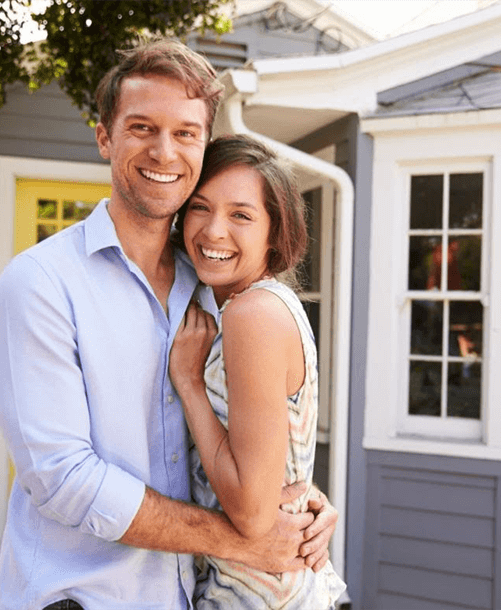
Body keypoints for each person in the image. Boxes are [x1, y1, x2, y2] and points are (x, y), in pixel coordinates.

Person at [0, 40, 337, 610]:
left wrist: (299, 502)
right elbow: (63, 480)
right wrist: (247, 537)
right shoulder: (41, 284)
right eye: (142, 127)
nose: (164, 151)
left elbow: (246, 437)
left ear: (203, 147)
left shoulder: (214, 283)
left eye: (185, 133)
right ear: (105, 137)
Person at [168, 135, 346, 609]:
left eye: (241, 215)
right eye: (201, 207)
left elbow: (250, 511)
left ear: (276, 231)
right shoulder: (256, 306)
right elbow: (275, 462)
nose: (213, 231)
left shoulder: (253, 315)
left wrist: (189, 386)